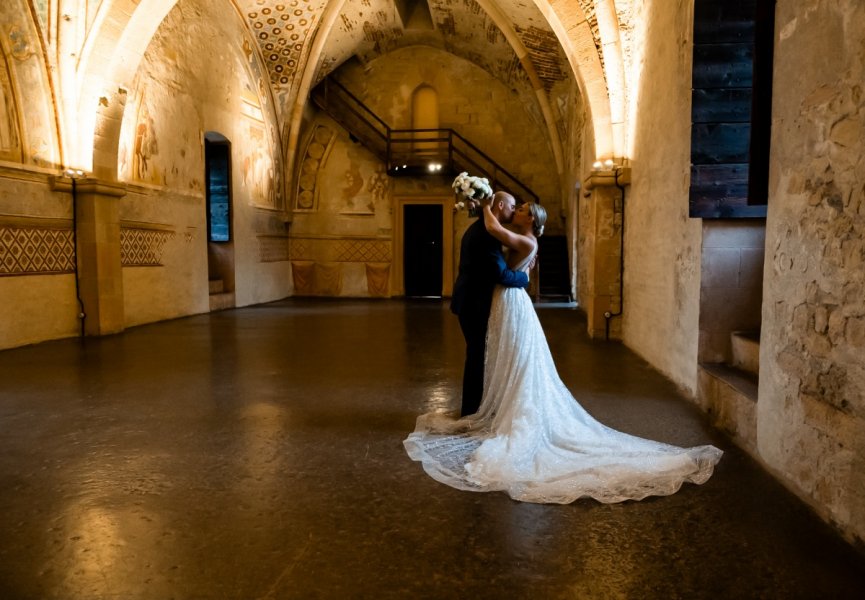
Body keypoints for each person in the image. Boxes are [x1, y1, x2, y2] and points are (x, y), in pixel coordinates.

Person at [404, 195, 723, 504]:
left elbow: (497, 236)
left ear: (529, 219)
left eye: (522, 208)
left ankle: (506, 409)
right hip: (504, 302)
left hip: (512, 301)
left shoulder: (524, 239)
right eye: (514, 206)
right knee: (505, 358)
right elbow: (498, 235)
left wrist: (485, 204)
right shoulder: (520, 235)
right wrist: (485, 205)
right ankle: (498, 403)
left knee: (515, 359)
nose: (517, 210)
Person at [450, 190, 529, 417]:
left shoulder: (481, 228)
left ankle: (475, 407)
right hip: (474, 303)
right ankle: (471, 412)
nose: (514, 211)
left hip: (470, 300)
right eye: (513, 206)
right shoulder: (486, 233)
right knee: (477, 356)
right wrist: (524, 279)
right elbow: (500, 274)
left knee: (477, 355)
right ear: (501, 205)